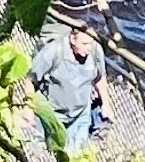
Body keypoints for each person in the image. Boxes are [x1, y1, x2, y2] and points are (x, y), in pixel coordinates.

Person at [30, 18, 108, 154]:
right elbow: (30, 79)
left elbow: (100, 78)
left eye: (90, 44)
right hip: (51, 112)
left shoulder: (95, 52)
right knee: (42, 152)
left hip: (79, 114)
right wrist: (28, 107)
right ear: (72, 39)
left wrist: (106, 104)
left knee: (75, 155)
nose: (88, 48)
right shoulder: (53, 51)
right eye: (84, 44)